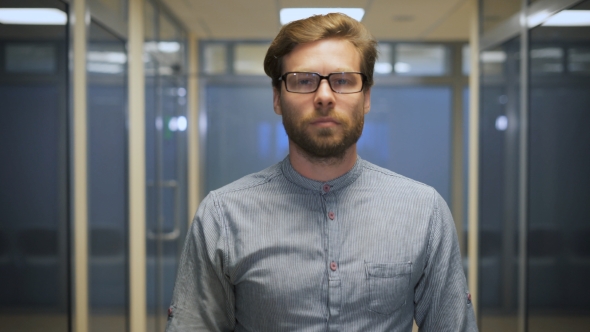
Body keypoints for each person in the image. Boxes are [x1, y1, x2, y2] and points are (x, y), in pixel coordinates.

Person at [166, 13, 477, 332]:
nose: (325, 96)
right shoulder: (222, 217)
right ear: (277, 98)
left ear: (366, 97)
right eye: (303, 80)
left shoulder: (424, 212)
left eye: (342, 80)